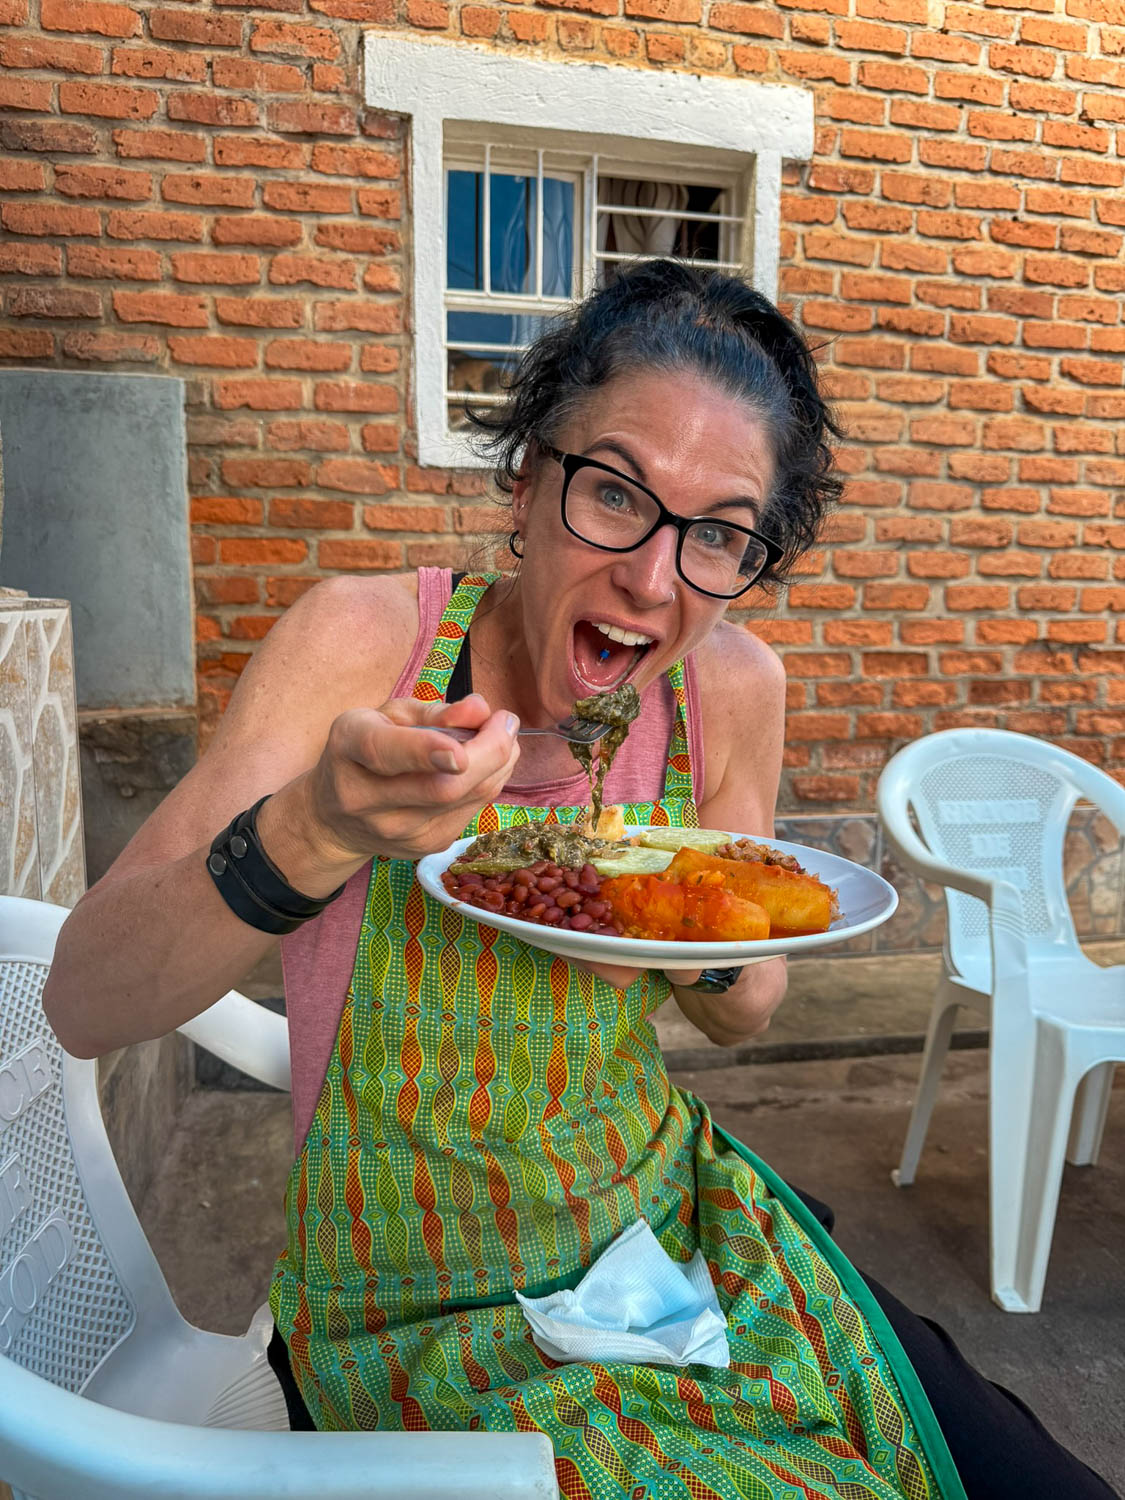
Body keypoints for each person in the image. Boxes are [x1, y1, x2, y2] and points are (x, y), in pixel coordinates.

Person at [45, 260, 1117, 1500]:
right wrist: (312, 830)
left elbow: (748, 1003)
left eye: (719, 534)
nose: (655, 582)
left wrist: (683, 939)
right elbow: (84, 995)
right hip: (409, 1294)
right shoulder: (365, 643)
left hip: (669, 1229)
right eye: (615, 494)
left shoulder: (727, 693)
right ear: (523, 479)